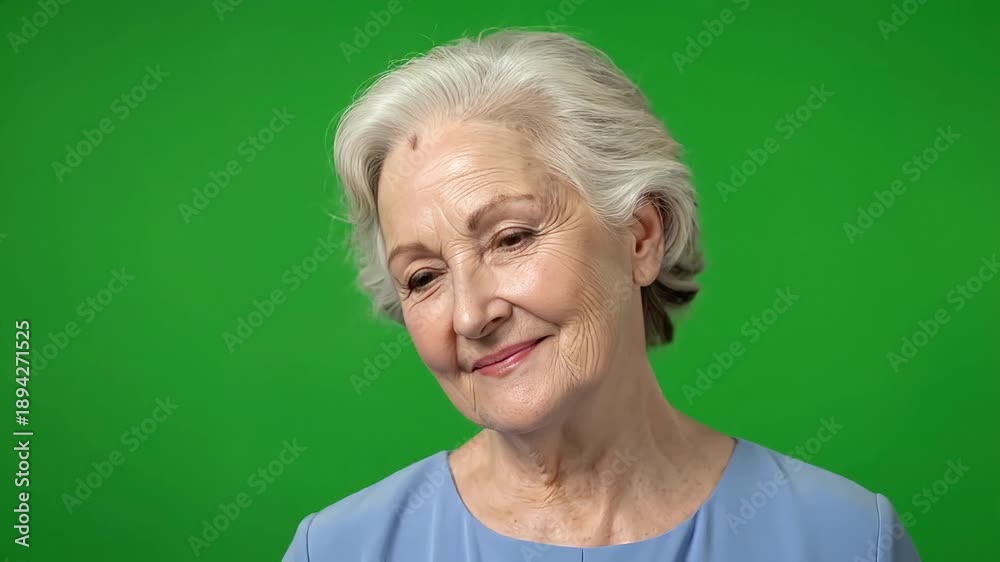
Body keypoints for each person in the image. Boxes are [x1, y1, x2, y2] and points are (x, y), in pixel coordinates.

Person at [282, 29, 921, 561]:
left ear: (640, 237)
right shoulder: (338, 550)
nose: (472, 314)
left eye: (511, 238)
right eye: (423, 277)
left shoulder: (844, 539)